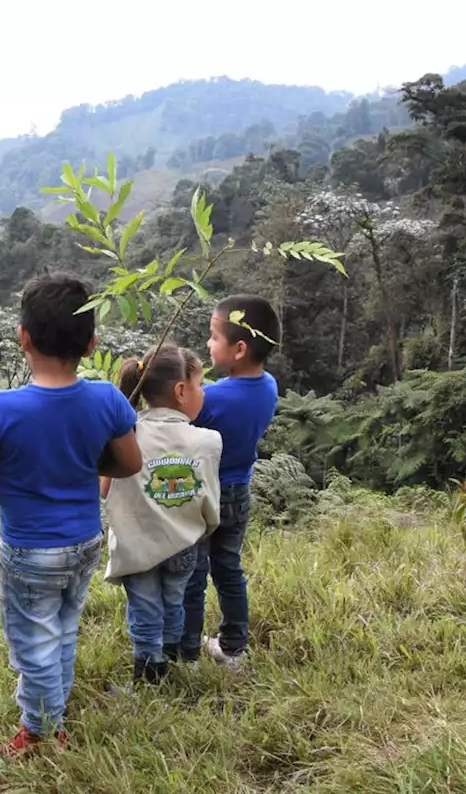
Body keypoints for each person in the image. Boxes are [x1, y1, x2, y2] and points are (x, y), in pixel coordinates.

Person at [0, 271, 142, 757]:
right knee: (63, 627)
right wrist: (85, 464)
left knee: (34, 642)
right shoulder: (107, 398)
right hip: (84, 540)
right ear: (91, 344)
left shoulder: (1, 407)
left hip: (29, 551)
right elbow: (130, 462)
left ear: (22, 337)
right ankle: (53, 706)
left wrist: (19, 473)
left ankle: (42, 732)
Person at [101, 344, 221, 687]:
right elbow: (210, 498)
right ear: (181, 391)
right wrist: (203, 529)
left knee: (145, 609)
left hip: (136, 546)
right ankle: (168, 664)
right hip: (183, 544)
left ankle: (149, 674)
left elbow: (105, 490)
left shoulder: (126, 435)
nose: (204, 392)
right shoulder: (209, 440)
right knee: (174, 602)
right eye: (200, 384)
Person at [180, 294, 281, 669]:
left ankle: (187, 652)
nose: (207, 344)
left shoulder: (212, 398)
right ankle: (234, 647)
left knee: (193, 574)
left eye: (212, 337)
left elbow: (178, 426)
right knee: (229, 569)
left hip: (205, 493)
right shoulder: (269, 385)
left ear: (239, 349)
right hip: (239, 491)